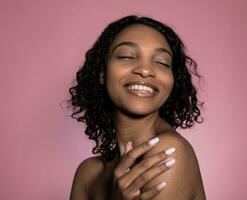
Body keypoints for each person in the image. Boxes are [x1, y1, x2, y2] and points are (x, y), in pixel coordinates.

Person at [67, 15, 206, 200]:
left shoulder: (167, 154)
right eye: (127, 56)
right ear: (102, 73)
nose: (145, 70)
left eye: (162, 62)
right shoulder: (88, 173)